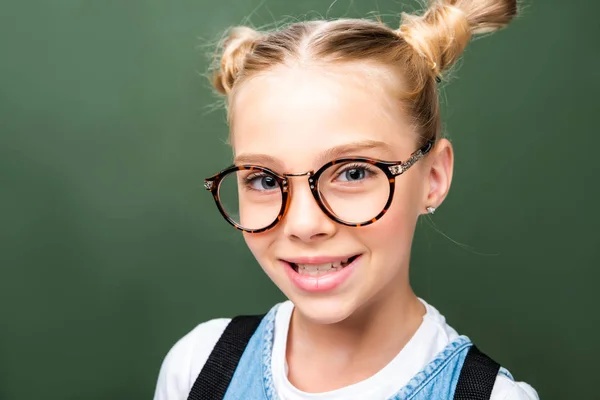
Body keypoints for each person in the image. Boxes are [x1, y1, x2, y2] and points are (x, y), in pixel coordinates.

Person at [154, 0, 539, 398]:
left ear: (434, 177)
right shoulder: (197, 368)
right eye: (265, 180)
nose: (303, 224)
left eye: (353, 173)